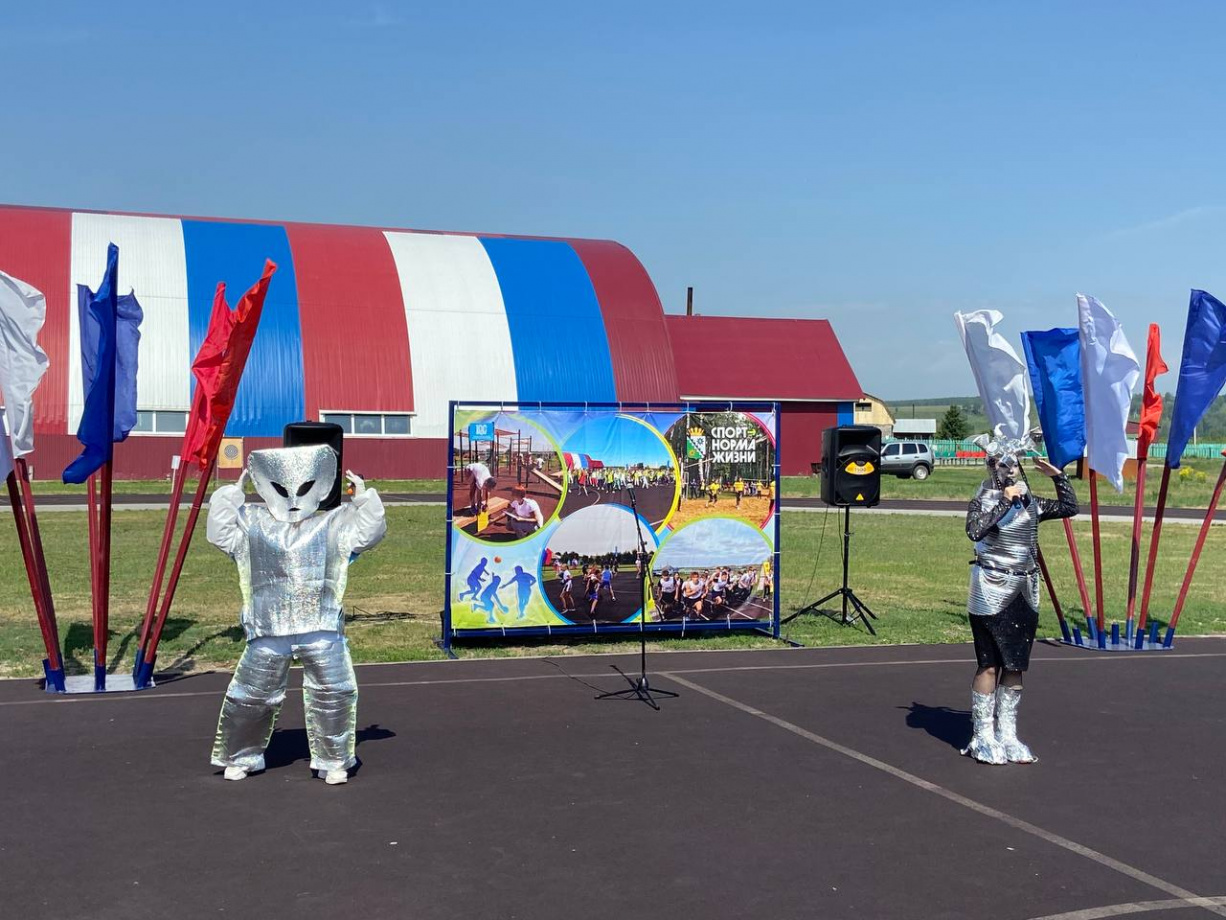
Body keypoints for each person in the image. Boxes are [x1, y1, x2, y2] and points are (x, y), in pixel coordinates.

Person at [207, 445, 386, 785]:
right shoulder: (252, 522)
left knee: (333, 692)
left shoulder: (334, 523)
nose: (292, 498)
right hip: (268, 628)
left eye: (304, 488)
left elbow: (369, 533)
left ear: (320, 486)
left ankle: (333, 759)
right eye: (281, 489)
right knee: (251, 693)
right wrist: (231, 496)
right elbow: (218, 533)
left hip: (320, 627)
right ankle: (242, 756)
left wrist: (363, 499)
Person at [961, 440, 1077, 765]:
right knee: (989, 663)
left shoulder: (1030, 503)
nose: (1009, 471)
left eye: (1013, 465)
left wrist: (1058, 477)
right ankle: (983, 734)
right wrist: (1003, 503)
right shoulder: (981, 501)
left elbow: (1070, 508)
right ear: (991, 466)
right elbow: (975, 532)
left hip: (1025, 589)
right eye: (1002, 464)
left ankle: (1007, 734)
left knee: (1015, 664)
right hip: (990, 588)